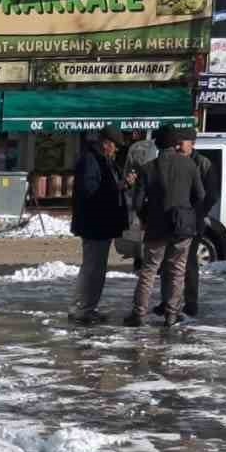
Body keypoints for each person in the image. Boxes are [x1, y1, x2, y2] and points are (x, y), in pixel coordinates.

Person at [127, 128, 203, 328]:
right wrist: (187, 209)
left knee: (149, 270)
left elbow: (137, 203)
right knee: (177, 271)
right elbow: (200, 195)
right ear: (175, 144)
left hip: (156, 226)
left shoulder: (148, 168)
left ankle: (139, 314)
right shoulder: (189, 165)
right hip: (182, 226)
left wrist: (146, 216)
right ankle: (172, 314)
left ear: (158, 145)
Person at [151, 128, 218, 318]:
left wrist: (196, 214)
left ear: (193, 143)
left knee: (187, 265)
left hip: (191, 222)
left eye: (183, 143)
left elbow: (211, 195)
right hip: (170, 221)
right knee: (168, 264)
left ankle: (190, 303)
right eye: (177, 143)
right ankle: (168, 302)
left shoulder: (202, 163)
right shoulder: (175, 161)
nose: (179, 147)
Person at [67, 126, 130, 325]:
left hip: (101, 224)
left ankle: (84, 307)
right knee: (93, 269)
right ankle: (82, 309)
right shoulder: (91, 161)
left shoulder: (102, 160)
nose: (116, 150)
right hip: (94, 225)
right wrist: (119, 185)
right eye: (115, 146)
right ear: (106, 143)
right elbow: (91, 192)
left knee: (94, 268)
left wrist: (122, 184)